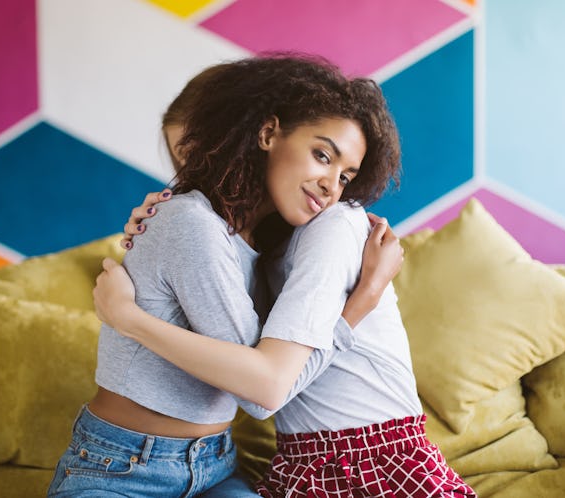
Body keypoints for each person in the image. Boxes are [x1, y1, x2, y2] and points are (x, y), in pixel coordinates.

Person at [104, 67, 477, 497]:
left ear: (253, 134)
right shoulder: (245, 239)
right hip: (296, 462)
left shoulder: (326, 226)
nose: (199, 171)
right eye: (184, 162)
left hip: (370, 459)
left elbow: (268, 388)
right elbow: (265, 380)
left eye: (344, 175)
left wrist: (128, 318)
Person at [47, 54, 405, 497]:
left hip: (215, 467)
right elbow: (262, 392)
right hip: (120, 469)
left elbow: (268, 377)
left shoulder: (268, 247)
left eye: (346, 176)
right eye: (322, 155)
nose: (333, 185)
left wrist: (130, 320)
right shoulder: (190, 224)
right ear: (267, 133)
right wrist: (361, 301)